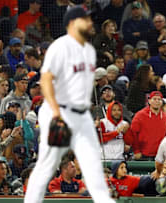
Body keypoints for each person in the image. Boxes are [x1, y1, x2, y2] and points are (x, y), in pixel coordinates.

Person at [24, 6, 115, 203]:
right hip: (59, 111)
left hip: (81, 115)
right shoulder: (60, 47)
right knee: (47, 165)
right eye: (85, 19)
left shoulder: (89, 51)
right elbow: (46, 81)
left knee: (92, 163)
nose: (90, 23)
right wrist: (56, 115)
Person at [130, 91, 166, 160]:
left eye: (159, 99)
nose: (157, 101)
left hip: (160, 155)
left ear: (162, 102)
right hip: (142, 155)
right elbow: (133, 134)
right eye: (154, 99)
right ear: (149, 101)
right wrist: (136, 151)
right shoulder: (140, 115)